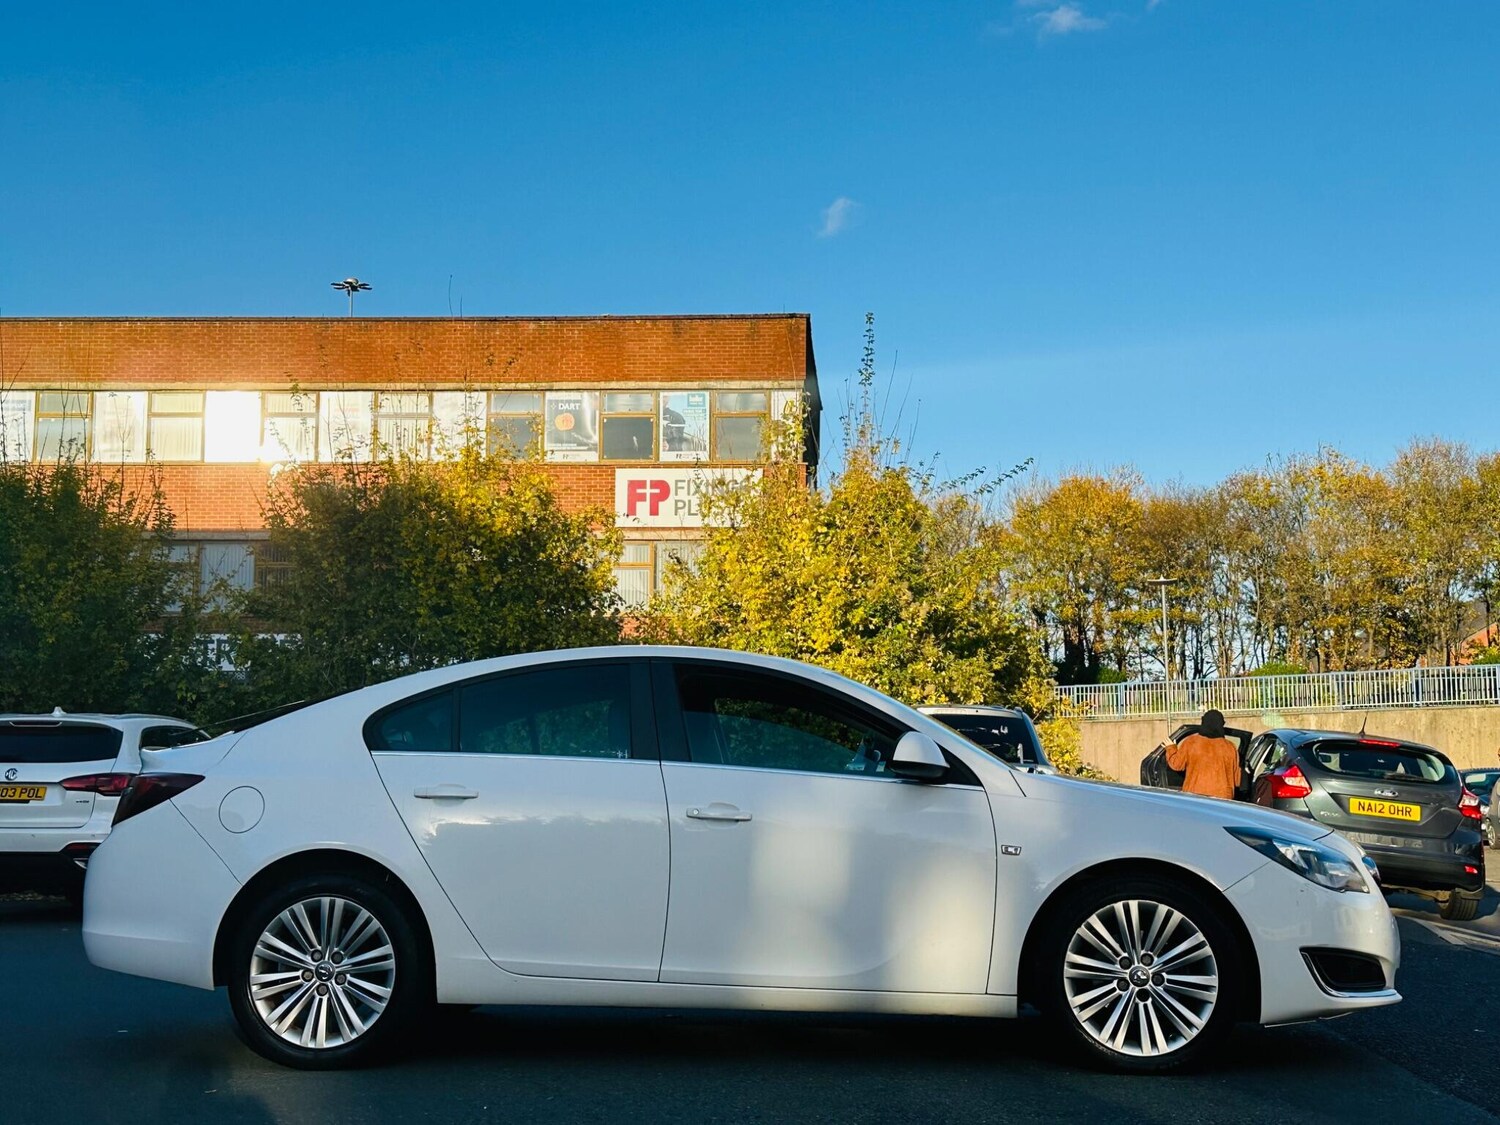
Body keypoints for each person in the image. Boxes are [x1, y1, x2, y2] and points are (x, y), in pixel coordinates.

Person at [1163, 709, 1243, 800]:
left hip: (1195, 796)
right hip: (1222, 799)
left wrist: (1171, 748)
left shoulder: (1191, 742)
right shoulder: (1230, 747)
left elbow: (1176, 764)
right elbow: (1237, 780)